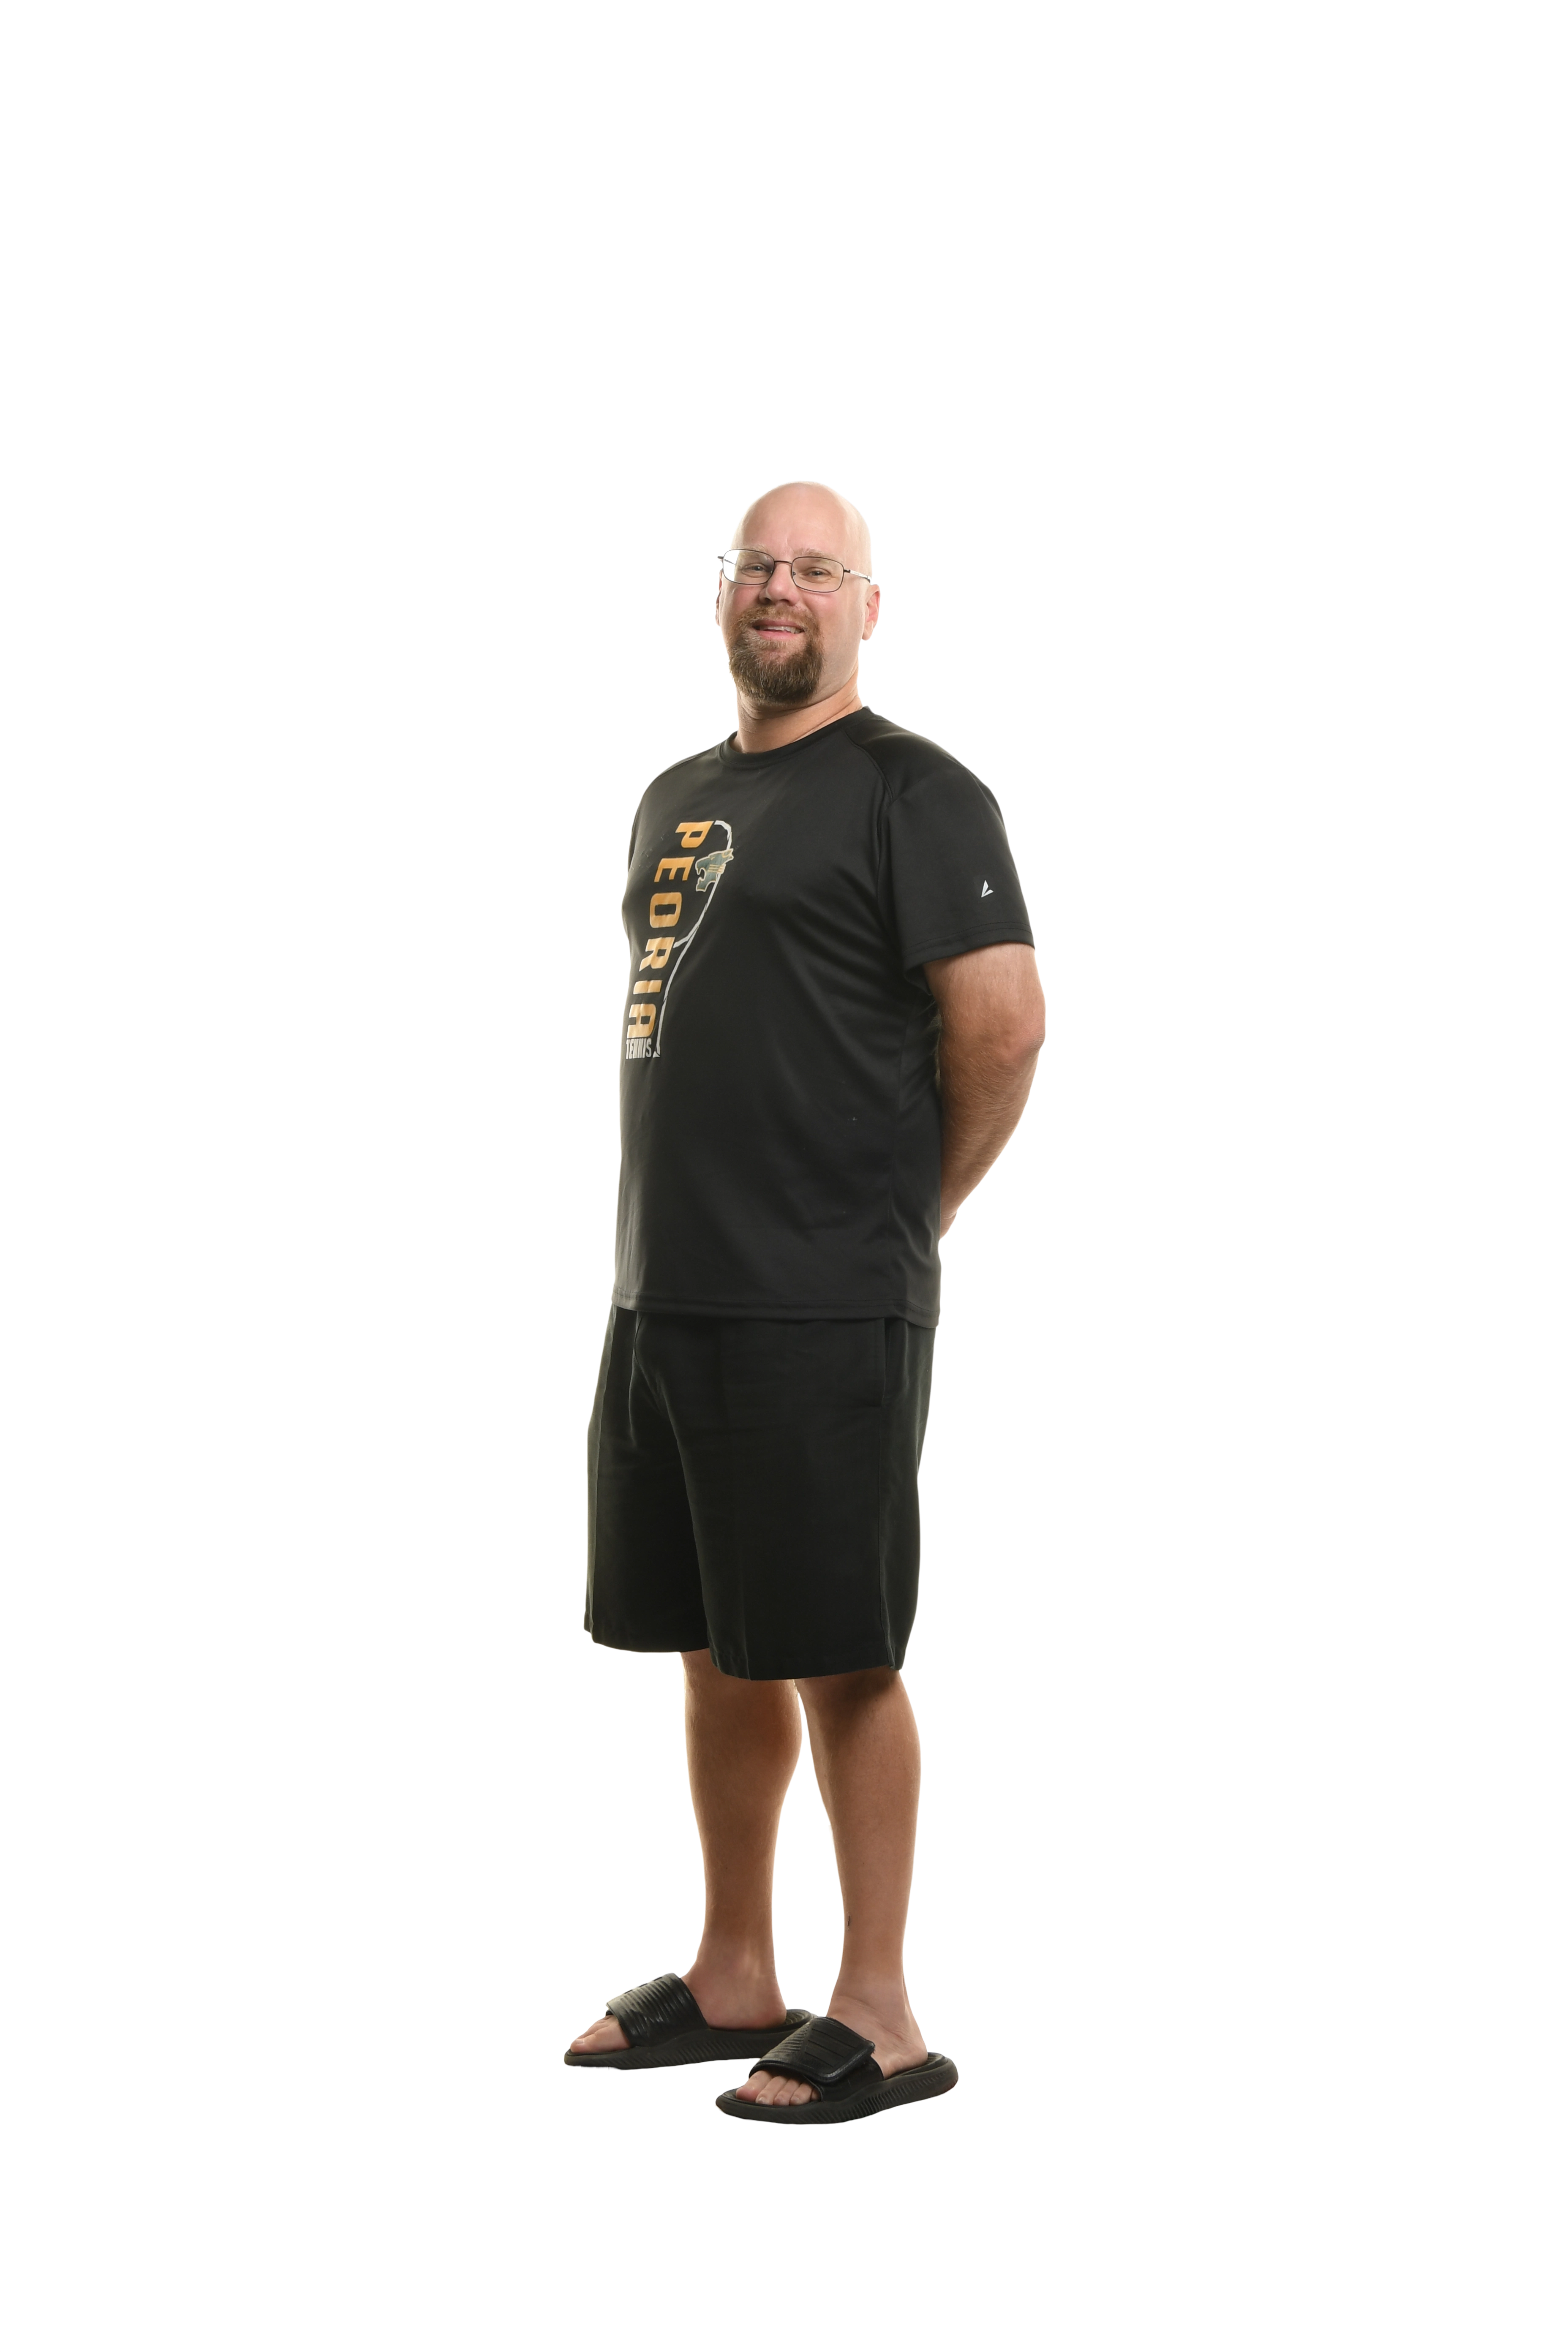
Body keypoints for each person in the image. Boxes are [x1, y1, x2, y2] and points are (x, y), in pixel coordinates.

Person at [565, 481, 1045, 2121]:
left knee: (838, 1653)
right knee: (714, 1646)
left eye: (817, 569)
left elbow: (1004, 1026)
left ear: (867, 608)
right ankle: (733, 1973)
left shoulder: (919, 792)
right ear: (725, 597)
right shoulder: (674, 796)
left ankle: (883, 2016)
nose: (782, 588)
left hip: (822, 1302)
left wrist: (911, 1211)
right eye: (757, 565)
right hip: (663, 1291)